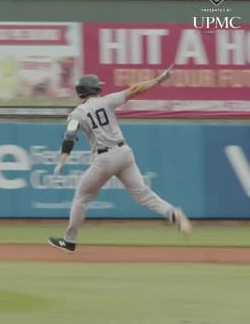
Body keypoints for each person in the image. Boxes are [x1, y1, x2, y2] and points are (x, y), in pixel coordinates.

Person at [47, 65, 192, 252]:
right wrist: (158, 80)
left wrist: (63, 159)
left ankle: (69, 241)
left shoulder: (76, 114)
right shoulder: (107, 101)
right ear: (95, 88)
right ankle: (172, 213)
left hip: (104, 158)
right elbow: (135, 89)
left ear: (80, 92)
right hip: (124, 153)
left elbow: (69, 135)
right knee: (143, 194)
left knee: (82, 197)